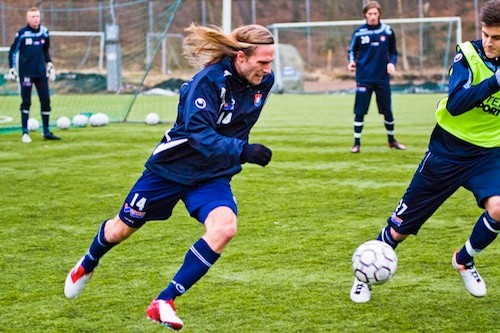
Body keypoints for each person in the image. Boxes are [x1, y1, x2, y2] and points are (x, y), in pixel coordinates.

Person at [64, 23, 275, 330]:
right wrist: (242, 151)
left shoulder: (262, 82)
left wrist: (235, 152)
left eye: (271, 62)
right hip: (170, 169)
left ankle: (164, 301)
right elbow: (198, 133)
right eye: (263, 62)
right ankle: (87, 263)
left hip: (212, 175)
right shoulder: (206, 82)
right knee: (120, 230)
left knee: (225, 228)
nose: (268, 70)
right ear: (241, 57)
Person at [350, 0, 500, 303]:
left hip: (488, 155)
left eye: (496, 37)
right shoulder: (468, 55)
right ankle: (363, 275)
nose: (488, 42)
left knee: (499, 208)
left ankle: (464, 259)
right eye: (486, 34)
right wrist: (495, 82)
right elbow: (456, 104)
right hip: (447, 150)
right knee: (400, 228)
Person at [347, 1, 405, 153]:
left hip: (382, 78)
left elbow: (393, 52)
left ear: (379, 14)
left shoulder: (387, 31)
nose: (372, 16)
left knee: (387, 110)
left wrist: (392, 63)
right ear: (365, 15)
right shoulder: (359, 32)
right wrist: (351, 62)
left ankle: (391, 141)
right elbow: (352, 51)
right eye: (370, 14)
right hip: (364, 78)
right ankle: (356, 143)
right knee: (360, 111)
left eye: (375, 13)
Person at [7, 7, 60, 143]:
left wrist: (49, 64)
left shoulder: (44, 32)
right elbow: (13, 51)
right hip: (26, 73)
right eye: (33, 16)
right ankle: (25, 132)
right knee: (26, 101)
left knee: (46, 101)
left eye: (37, 16)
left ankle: (46, 131)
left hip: (40, 73)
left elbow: (45, 51)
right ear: (28, 19)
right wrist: (12, 68)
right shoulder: (22, 34)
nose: (36, 19)